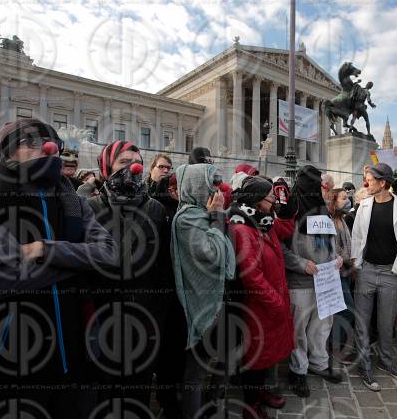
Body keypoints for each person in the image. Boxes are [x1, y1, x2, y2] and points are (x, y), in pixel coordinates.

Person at [0, 119, 116, 419]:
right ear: (9, 150)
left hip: (72, 355)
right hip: (10, 359)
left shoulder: (70, 197)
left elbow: (109, 253)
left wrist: (47, 249)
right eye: (32, 142)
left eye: (52, 145)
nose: (47, 149)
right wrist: (76, 263)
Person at [86, 141, 174, 411]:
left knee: (138, 390)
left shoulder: (155, 210)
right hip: (103, 320)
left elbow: (163, 268)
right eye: (124, 163)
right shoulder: (90, 208)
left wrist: (158, 314)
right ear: (107, 168)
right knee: (104, 391)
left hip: (144, 319)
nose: (133, 168)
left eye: (136, 161)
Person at [171, 162, 236, 419]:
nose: (216, 190)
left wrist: (216, 218)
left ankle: (212, 404)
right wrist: (218, 217)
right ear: (197, 186)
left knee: (224, 356)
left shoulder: (201, 214)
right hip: (201, 305)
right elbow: (214, 253)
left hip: (218, 298)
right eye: (211, 184)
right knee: (196, 371)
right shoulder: (187, 218)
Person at [228, 176, 295, 419]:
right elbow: (252, 277)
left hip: (271, 303)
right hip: (258, 307)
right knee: (255, 360)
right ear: (257, 201)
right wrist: (276, 301)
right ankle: (251, 406)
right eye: (270, 198)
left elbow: (287, 228)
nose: (273, 202)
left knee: (267, 356)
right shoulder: (243, 229)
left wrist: (286, 204)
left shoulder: (264, 222)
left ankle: (262, 393)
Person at [351, 163, 397, 391]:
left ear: (383, 182)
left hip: (391, 273)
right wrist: (355, 262)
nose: (366, 183)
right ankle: (364, 364)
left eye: (370, 179)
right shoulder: (363, 205)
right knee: (362, 321)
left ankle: (387, 361)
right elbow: (357, 236)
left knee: (387, 322)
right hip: (366, 270)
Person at [283, 165, 343, 398]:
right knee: (298, 328)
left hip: (326, 280)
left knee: (322, 325)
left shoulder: (323, 210)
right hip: (300, 282)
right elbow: (280, 246)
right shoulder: (290, 209)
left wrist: (336, 257)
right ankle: (298, 371)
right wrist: (300, 264)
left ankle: (319, 363)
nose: (316, 188)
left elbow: (330, 240)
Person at [327, 188, 356, 364]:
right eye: (344, 198)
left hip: (345, 271)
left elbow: (348, 243)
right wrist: (347, 259)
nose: (348, 201)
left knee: (342, 310)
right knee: (346, 310)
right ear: (334, 200)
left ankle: (338, 345)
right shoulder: (329, 220)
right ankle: (335, 347)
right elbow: (332, 247)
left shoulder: (341, 219)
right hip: (335, 272)